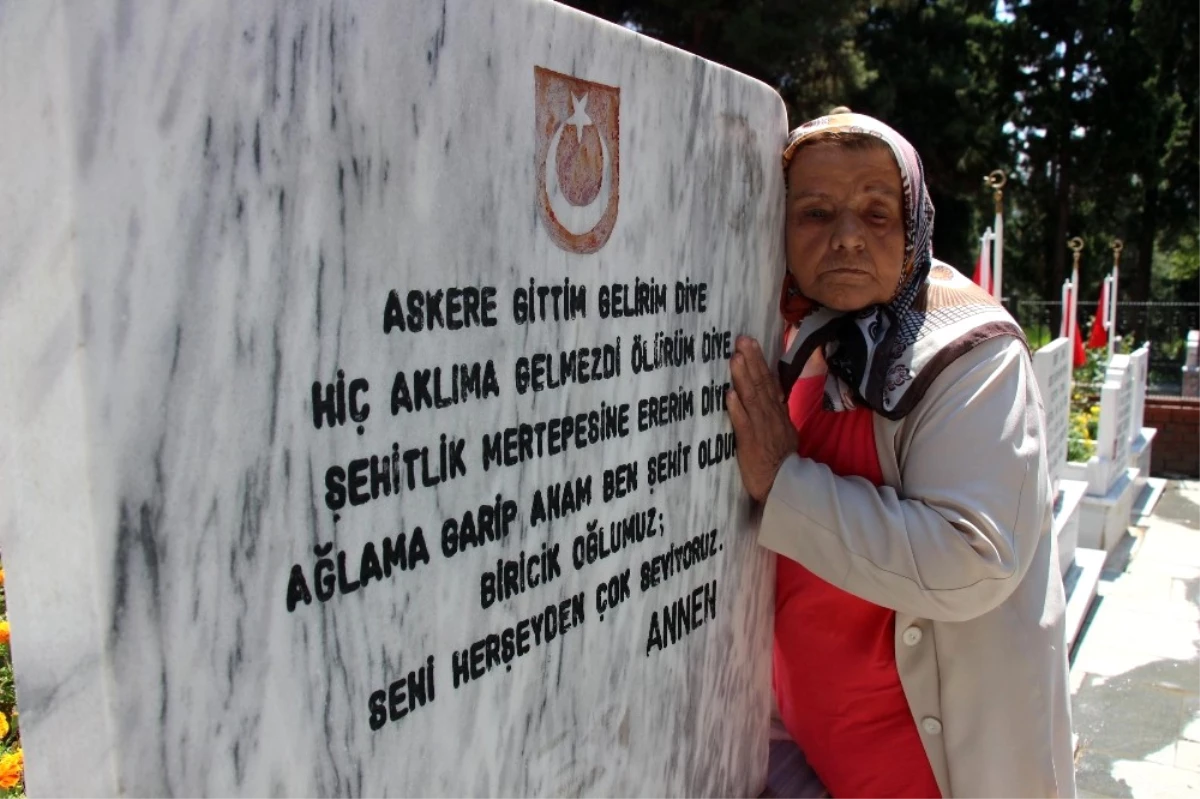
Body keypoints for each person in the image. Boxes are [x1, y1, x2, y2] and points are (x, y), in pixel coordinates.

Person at [727, 110, 1075, 798]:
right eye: (816, 212)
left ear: (913, 225)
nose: (847, 237)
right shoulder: (812, 340)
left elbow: (973, 556)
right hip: (811, 757)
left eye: (877, 213)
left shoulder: (972, 357)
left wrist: (785, 482)